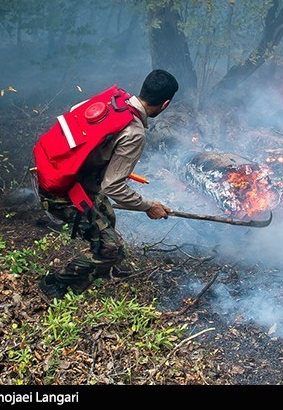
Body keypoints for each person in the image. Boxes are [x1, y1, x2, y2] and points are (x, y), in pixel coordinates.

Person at [36, 69, 179, 302]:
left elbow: (76, 118)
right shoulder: (134, 133)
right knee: (112, 250)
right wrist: (148, 206)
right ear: (165, 104)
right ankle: (54, 282)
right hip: (61, 192)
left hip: (64, 175)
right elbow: (114, 187)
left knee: (106, 216)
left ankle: (104, 268)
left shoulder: (114, 101)